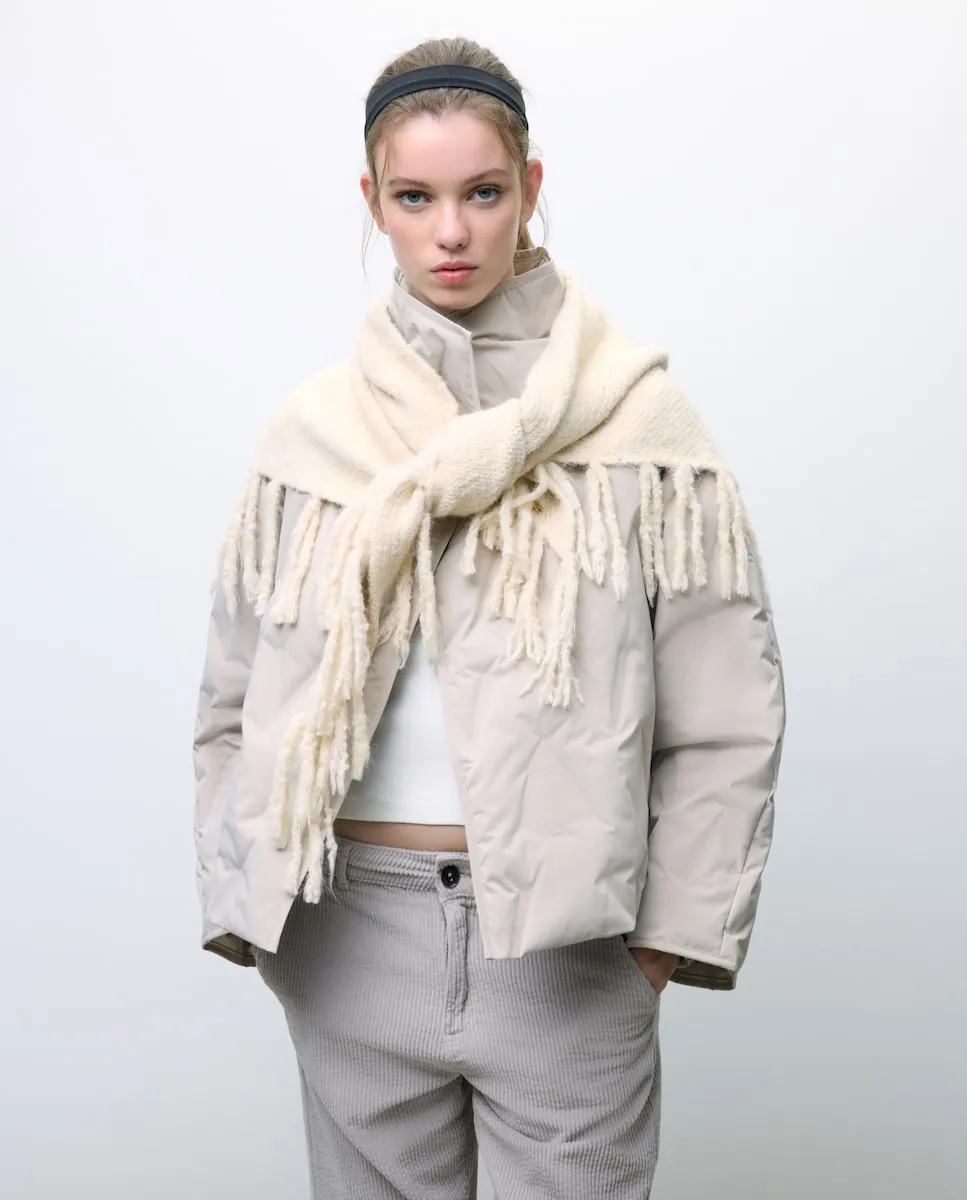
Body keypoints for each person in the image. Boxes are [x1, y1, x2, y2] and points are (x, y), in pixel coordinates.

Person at [193, 35, 786, 1200]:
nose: (451, 232)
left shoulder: (638, 425)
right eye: (415, 198)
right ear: (374, 202)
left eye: (482, 192)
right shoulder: (312, 436)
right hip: (349, 936)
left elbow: (727, 712)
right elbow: (234, 694)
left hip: (567, 952)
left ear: (530, 188)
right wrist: (251, 903)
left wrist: (658, 945)